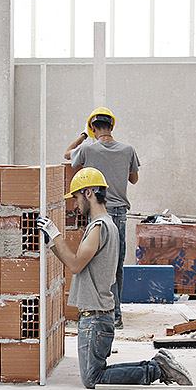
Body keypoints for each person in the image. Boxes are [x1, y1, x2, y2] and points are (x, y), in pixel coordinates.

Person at [37, 167, 192, 389]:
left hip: (96, 317)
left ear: (89, 192)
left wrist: (55, 235)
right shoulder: (107, 225)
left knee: (93, 378)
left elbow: (75, 264)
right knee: (95, 375)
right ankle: (157, 367)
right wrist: (53, 242)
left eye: (76, 197)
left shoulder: (99, 227)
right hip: (98, 315)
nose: (75, 204)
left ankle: (157, 368)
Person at [71, 107, 139, 329]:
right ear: (112, 126)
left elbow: (67, 155)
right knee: (115, 264)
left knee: (95, 262)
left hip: (98, 210)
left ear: (93, 128)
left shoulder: (88, 150)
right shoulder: (128, 150)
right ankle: (116, 314)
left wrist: (83, 136)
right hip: (119, 212)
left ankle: (100, 310)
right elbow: (134, 179)